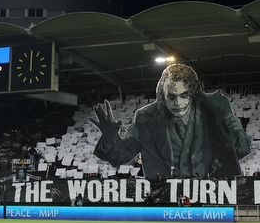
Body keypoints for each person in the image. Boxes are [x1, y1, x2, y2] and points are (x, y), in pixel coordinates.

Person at [89, 63, 251, 180]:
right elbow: (120, 157)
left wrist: (238, 133)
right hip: (162, 196)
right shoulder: (146, 117)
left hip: (206, 195)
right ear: (162, 96)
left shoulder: (212, 112)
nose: (178, 103)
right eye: (171, 97)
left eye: (184, 95)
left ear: (193, 93)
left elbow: (237, 153)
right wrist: (110, 138)